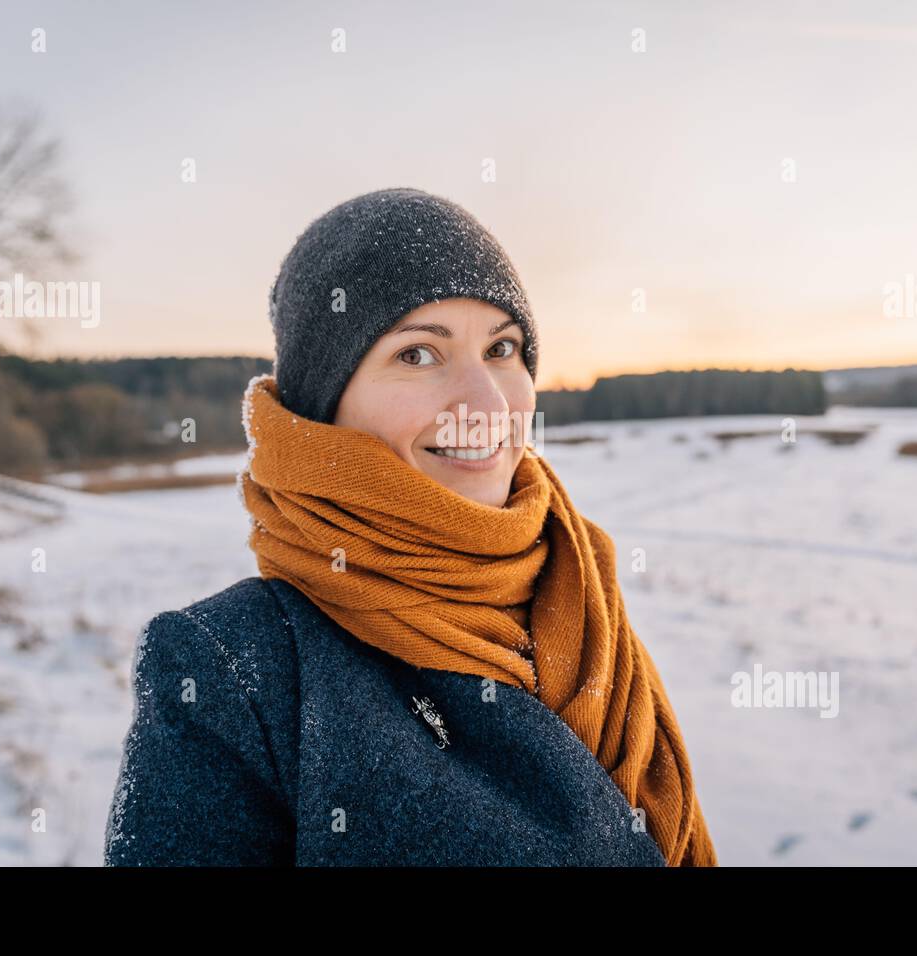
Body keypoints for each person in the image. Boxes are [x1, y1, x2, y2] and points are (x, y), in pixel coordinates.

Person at [102, 187, 719, 866]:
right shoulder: (235, 671)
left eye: (502, 348)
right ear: (325, 404)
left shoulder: (583, 588)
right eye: (418, 354)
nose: (486, 402)